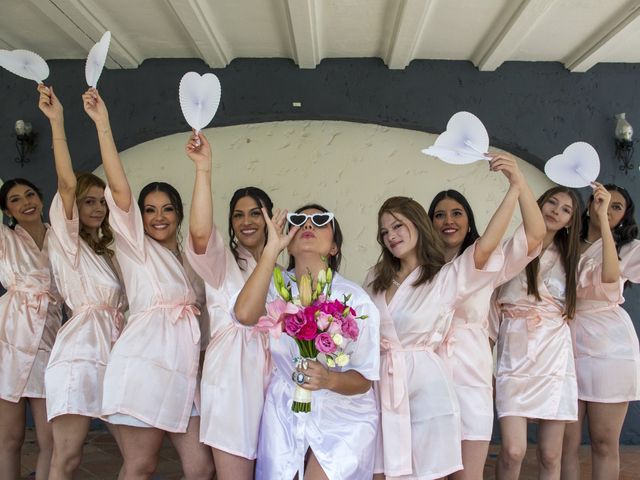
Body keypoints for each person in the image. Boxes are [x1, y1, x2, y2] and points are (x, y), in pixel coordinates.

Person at [368, 154, 531, 480]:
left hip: (428, 392)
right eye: (385, 231)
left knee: (431, 473)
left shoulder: (443, 278)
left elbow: (485, 248)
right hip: (383, 387)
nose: (391, 235)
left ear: (418, 224)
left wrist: (514, 189)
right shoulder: (375, 277)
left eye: (398, 225)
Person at [82, 87, 213, 480]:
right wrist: (103, 124)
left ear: (179, 214)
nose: (159, 217)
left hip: (184, 371)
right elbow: (118, 190)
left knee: (200, 467)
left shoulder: (191, 258)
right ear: (136, 217)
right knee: (140, 465)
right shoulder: (133, 244)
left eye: (167, 209)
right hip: (143, 366)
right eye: (149, 210)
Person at [234, 204, 380, 479]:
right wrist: (270, 251)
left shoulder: (356, 299)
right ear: (289, 245)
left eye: (321, 220)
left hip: (344, 415)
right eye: (299, 220)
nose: (308, 225)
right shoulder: (275, 286)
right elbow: (243, 315)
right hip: (285, 409)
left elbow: (365, 378)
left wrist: (329, 380)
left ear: (334, 247)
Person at [427, 152, 545, 480]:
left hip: (471, 373)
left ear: (468, 220)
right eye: (439, 214)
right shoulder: (418, 268)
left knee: (468, 474)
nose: (448, 220)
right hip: (427, 373)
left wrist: (518, 181)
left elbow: (534, 235)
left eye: (456, 213)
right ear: (428, 222)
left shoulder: (488, 261)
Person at [492, 184, 617, 479]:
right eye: (551, 203)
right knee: (512, 450)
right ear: (537, 204)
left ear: (571, 221)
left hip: (554, 357)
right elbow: (488, 306)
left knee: (550, 455)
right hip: (514, 353)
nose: (555, 211)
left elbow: (610, 279)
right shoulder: (513, 248)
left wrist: (602, 218)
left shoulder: (574, 260)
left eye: (565, 209)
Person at [37, 83, 126, 480]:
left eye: (102, 202)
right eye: (90, 200)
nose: (97, 208)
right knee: (67, 459)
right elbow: (67, 183)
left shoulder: (108, 251)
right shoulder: (66, 241)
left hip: (117, 352)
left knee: (137, 454)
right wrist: (58, 122)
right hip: (79, 354)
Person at [185, 130, 273, 479]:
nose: (247, 221)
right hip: (232, 380)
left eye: (255, 213)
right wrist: (203, 170)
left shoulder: (280, 272)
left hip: (271, 380)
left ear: (269, 219)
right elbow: (201, 234)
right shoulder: (221, 263)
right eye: (239, 215)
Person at [561, 184, 640, 480]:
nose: (606, 208)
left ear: (624, 215)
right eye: (601, 201)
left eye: (616, 206)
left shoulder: (628, 248)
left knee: (604, 441)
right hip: (565, 339)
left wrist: (606, 227)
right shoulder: (566, 240)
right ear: (589, 204)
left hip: (610, 346)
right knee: (565, 442)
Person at [0, 177, 63, 480]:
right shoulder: (5, 238)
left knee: (50, 439)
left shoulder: (61, 239)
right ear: (7, 211)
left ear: (40, 198)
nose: (25, 202)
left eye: (30, 194)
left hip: (49, 338)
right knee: (10, 438)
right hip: (10, 339)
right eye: (15, 199)